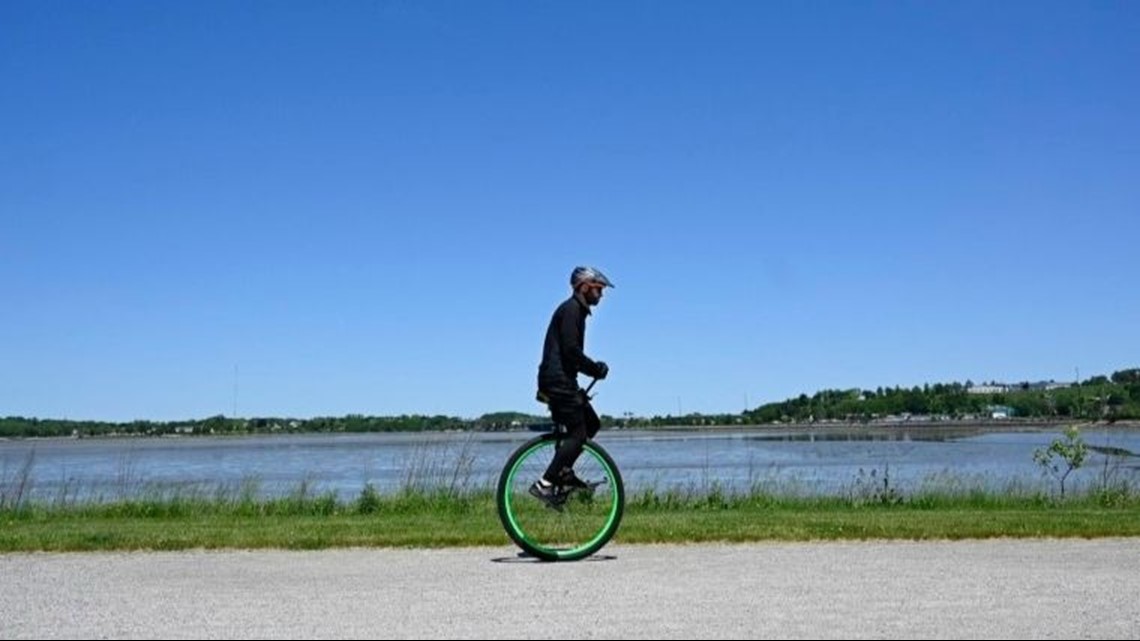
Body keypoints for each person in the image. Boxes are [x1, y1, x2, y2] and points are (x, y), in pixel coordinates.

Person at [530, 265, 614, 508]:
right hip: (557, 381)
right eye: (599, 289)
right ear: (584, 287)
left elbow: (571, 354)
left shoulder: (577, 311)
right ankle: (545, 483)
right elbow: (571, 352)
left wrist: (590, 369)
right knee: (578, 433)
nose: (601, 294)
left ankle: (563, 470)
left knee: (592, 424)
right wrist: (594, 368)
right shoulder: (571, 310)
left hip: (562, 380)